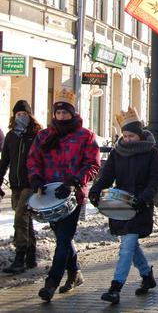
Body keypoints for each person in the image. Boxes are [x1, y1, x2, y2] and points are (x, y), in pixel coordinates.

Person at [27, 89, 100, 302]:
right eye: (57, 113)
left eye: (65, 113)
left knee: (64, 238)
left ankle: (51, 283)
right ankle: (75, 273)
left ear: (72, 112)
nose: (61, 117)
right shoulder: (45, 135)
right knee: (63, 239)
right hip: (49, 196)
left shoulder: (85, 136)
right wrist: (36, 179)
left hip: (72, 195)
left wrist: (75, 182)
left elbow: (93, 164)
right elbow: (33, 160)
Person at [89, 108, 158, 304]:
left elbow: (156, 180)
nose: (127, 139)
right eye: (124, 135)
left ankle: (115, 287)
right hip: (120, 204)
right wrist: (95, 190)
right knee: (130, 245)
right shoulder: (117, 152)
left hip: (140, 205)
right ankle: (147, 276)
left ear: (139, 135)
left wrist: (144, 198)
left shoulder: (151, 152)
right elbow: (107, 176)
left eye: (130, 135)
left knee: (126, 246)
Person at [0, 100, 42, 274]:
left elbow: (42, 159)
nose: (21, 117)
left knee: (19, 217)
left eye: (24, 114)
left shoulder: (36, 135)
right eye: (18, 114)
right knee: (26, 219)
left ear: (30, 116)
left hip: (31, 183)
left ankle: (20, 257)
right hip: (16, 184)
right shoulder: (11, 136)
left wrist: (40, 180)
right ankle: (31, 254)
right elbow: (5, 161)